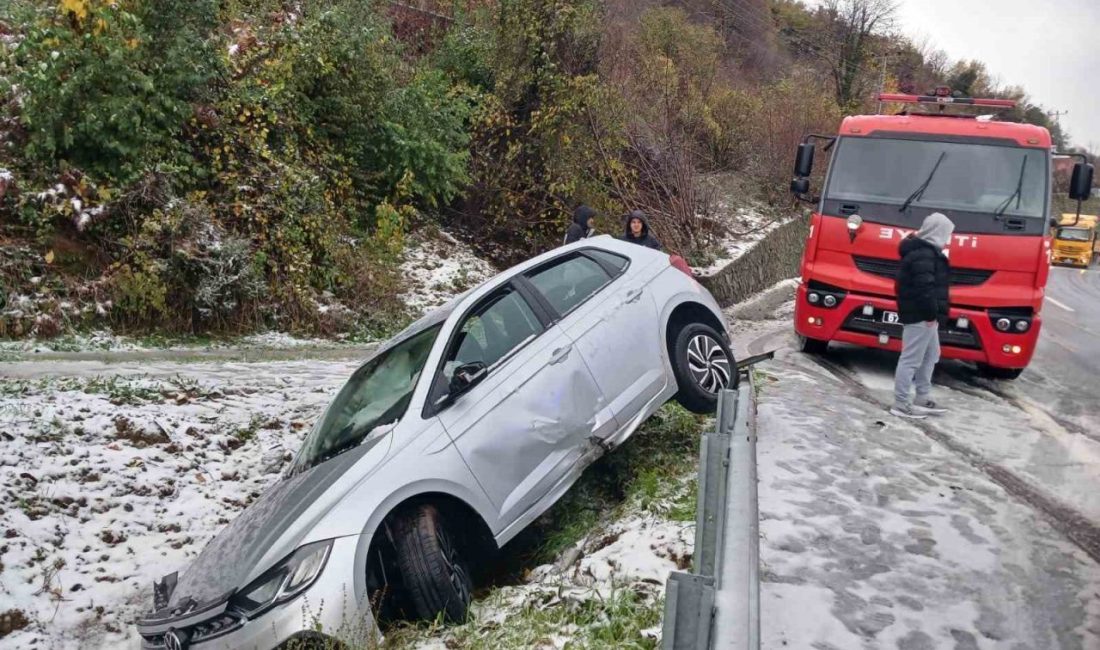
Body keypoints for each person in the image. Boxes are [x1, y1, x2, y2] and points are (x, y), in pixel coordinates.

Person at [891, 212, 954, 419]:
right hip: (921, 315)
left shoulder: (927, 252)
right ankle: (901, 403)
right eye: (947, 234)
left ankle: (922, 397)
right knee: (911, 359)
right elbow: (924, 288)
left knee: (931, 354)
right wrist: (930, 314)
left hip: (927, 315)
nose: (948, 239)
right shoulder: (924, 255)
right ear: (938, 232)